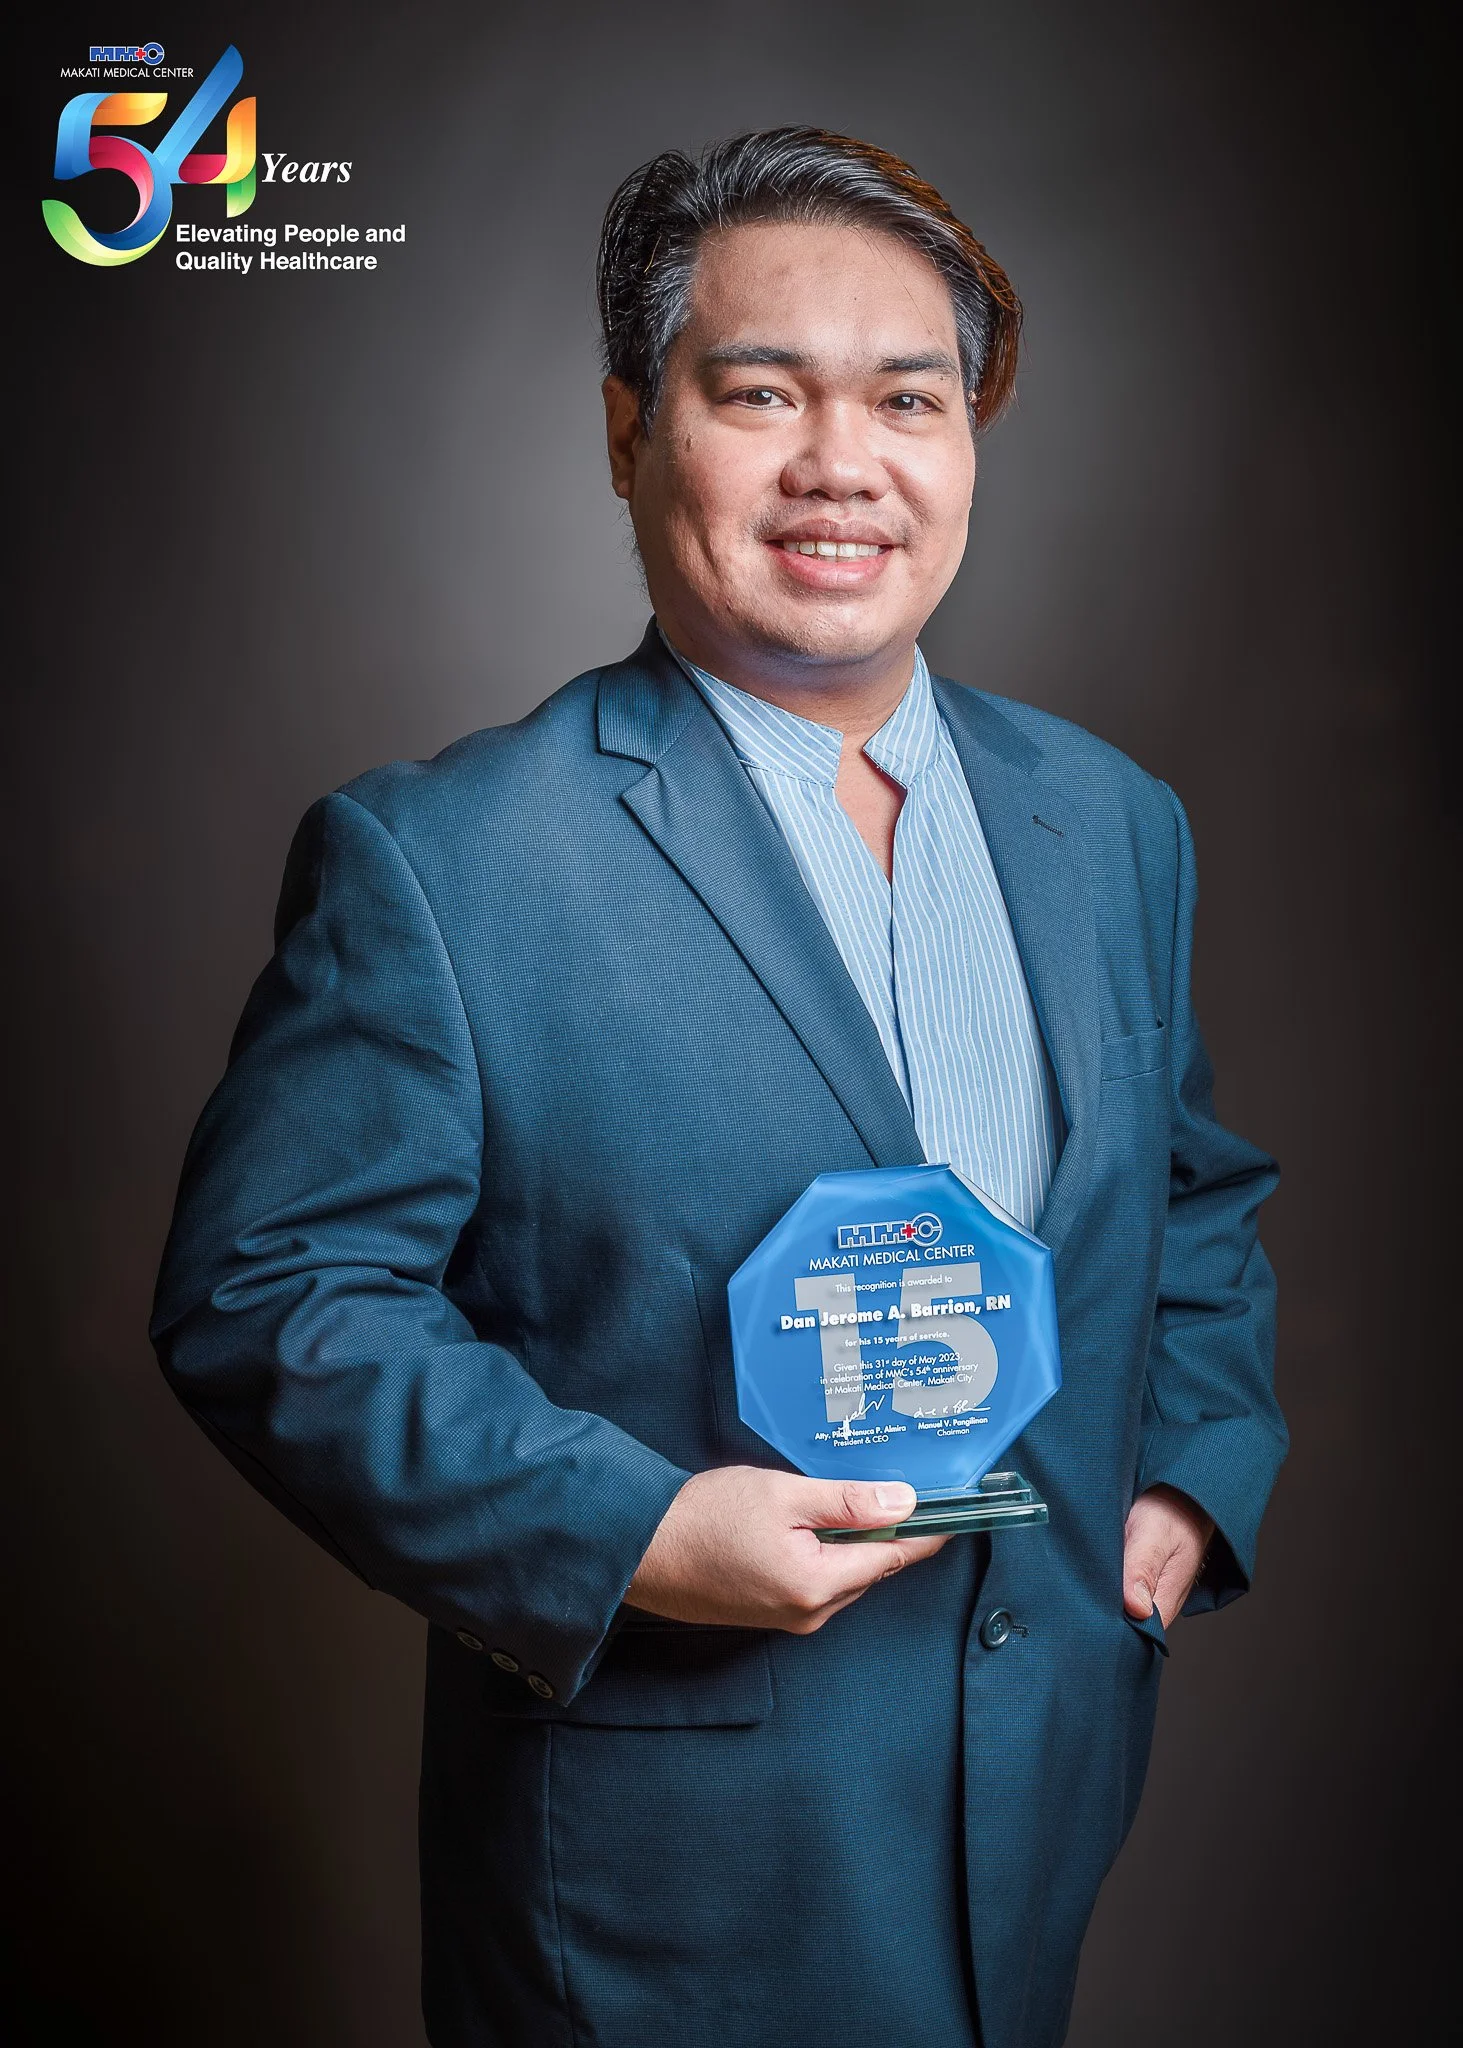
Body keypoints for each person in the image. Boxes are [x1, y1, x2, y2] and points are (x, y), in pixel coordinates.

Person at [151, 128, 1286, 2048]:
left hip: (1038, 1789)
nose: (841, 463)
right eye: (759, 393)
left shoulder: (1106, 821)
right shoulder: (448, 860)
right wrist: (631, 1537)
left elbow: (1182, 1191)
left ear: (968, 444)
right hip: (667, 1880)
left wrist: (1186, 1474)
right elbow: (268, 1300)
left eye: (907, 400)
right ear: (626, 430)